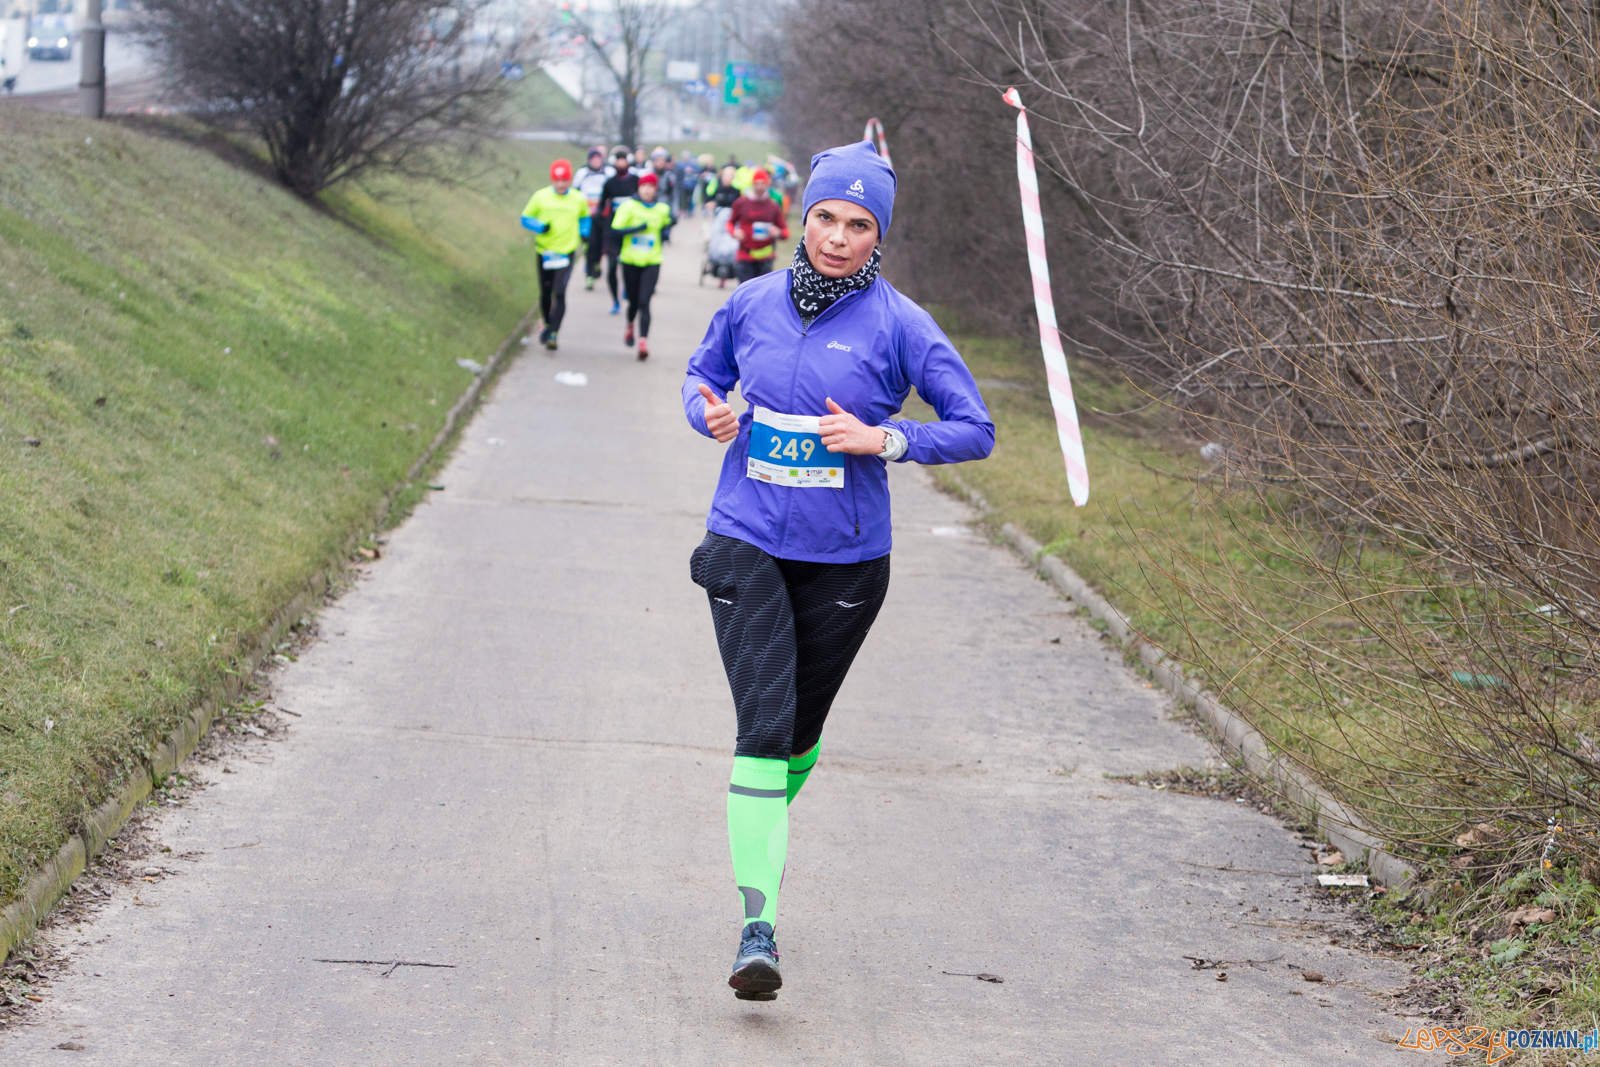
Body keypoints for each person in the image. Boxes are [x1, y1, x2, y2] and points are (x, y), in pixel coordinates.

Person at [680, 140, 995, 1000]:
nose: (838, 236)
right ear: (802, 216)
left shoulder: (901, 326)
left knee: (798, 738)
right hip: (744, 536)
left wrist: (885, 439)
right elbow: (703, 374)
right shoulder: (750, 302)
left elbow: (975, 427)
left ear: (878, 235)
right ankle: (758, 923)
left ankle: (761, 837)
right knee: (764, 723)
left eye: (859, 224)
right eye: (825, 216)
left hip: (846, 562)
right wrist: (706, 411)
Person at [520, 159, 590, 351]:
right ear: (552, 179)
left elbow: (585, 217)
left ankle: (553, 333)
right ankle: (548, 323)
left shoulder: (577, 198)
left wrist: (585, 233)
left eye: (564, 180)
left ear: (569, 180)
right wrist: (540, 227)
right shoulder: (540, 197)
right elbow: (525, 218)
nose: (561, 184)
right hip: (545, 251)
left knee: (559, 293)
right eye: (557, 180)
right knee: (545, 292)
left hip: (566, 252)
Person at [610, 172, 675, 360]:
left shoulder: (662, 209)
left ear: (655, 189)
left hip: (652, 261)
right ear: (639, 188)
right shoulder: (628, 207)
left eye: (651, 187)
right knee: (633, 301)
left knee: (645, 301)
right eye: (644, 186)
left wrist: (667, 230)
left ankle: (643, 341)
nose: (647, 190)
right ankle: (630, 324)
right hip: (630, 260)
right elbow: (615, 230)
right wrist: (636, 228)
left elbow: (666, 224)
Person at [727, 168, 789, 284]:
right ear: (752, 184)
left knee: (761, 296)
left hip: (765, 257)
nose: (760, 187)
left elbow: (785, 232)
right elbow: (730, 223)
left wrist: (778, 232)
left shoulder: (773, 206)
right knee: (745, 292)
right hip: (745, 254)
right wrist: (734, 232)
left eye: (762, 183)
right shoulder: (741, 203)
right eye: (757, 183)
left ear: (767, 184)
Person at [598, 146, 640, 315]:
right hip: (613, 231)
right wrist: (605, 219)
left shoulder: (636, 181)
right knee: (612, 266)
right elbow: (601, 207)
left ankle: (627, 291)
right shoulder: (609, 183)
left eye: (624, 160)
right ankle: (615, 300)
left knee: (628, 266)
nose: (621, 163)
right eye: (618, 160)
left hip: (631, 231)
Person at [574, 147, 610, 291]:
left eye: (598, 158)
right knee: (590, 245)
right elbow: (575, 193)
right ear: (589, 160)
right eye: (593, 159)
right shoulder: (582, 173)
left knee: (601, 246)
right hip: (587, 217)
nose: (596, 161)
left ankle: (597, 264)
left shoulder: (608, 173)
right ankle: (589, 275)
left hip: (604, 216)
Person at [649, 147, 678, 224]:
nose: (660, 162)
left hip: (665, 210)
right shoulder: (648, 176)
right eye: (658, 160)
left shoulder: (670, 177)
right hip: (651, 210)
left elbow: (674, 196)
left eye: (662, 160)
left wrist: (674, 213)